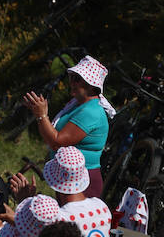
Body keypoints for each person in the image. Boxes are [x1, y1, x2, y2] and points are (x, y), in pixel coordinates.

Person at [24, 55, 112, 197]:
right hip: (70, 178)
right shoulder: (78, 105)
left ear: (91, 85)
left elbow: (57, 142)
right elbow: (50, 137)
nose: (71, 82)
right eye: (71, 77)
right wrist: (39, 115)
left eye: (77, 79)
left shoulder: (91, 112)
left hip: (84, 181)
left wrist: (42, 115)